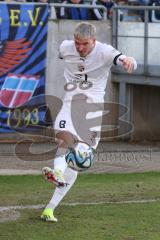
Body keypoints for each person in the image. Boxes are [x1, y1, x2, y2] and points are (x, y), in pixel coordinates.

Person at [41, 22, 137, 222]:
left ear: (94, 41)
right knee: (64, 141)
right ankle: (57, 172)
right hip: (69, 103)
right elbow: (64, 54)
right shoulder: (65, 47)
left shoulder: (104, 51)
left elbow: (121, 58)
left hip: (92, 110)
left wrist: (129, 61)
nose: (80, 47)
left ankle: (49, 209)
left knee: (79, 163)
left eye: (85, 44)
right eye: (78, 43)